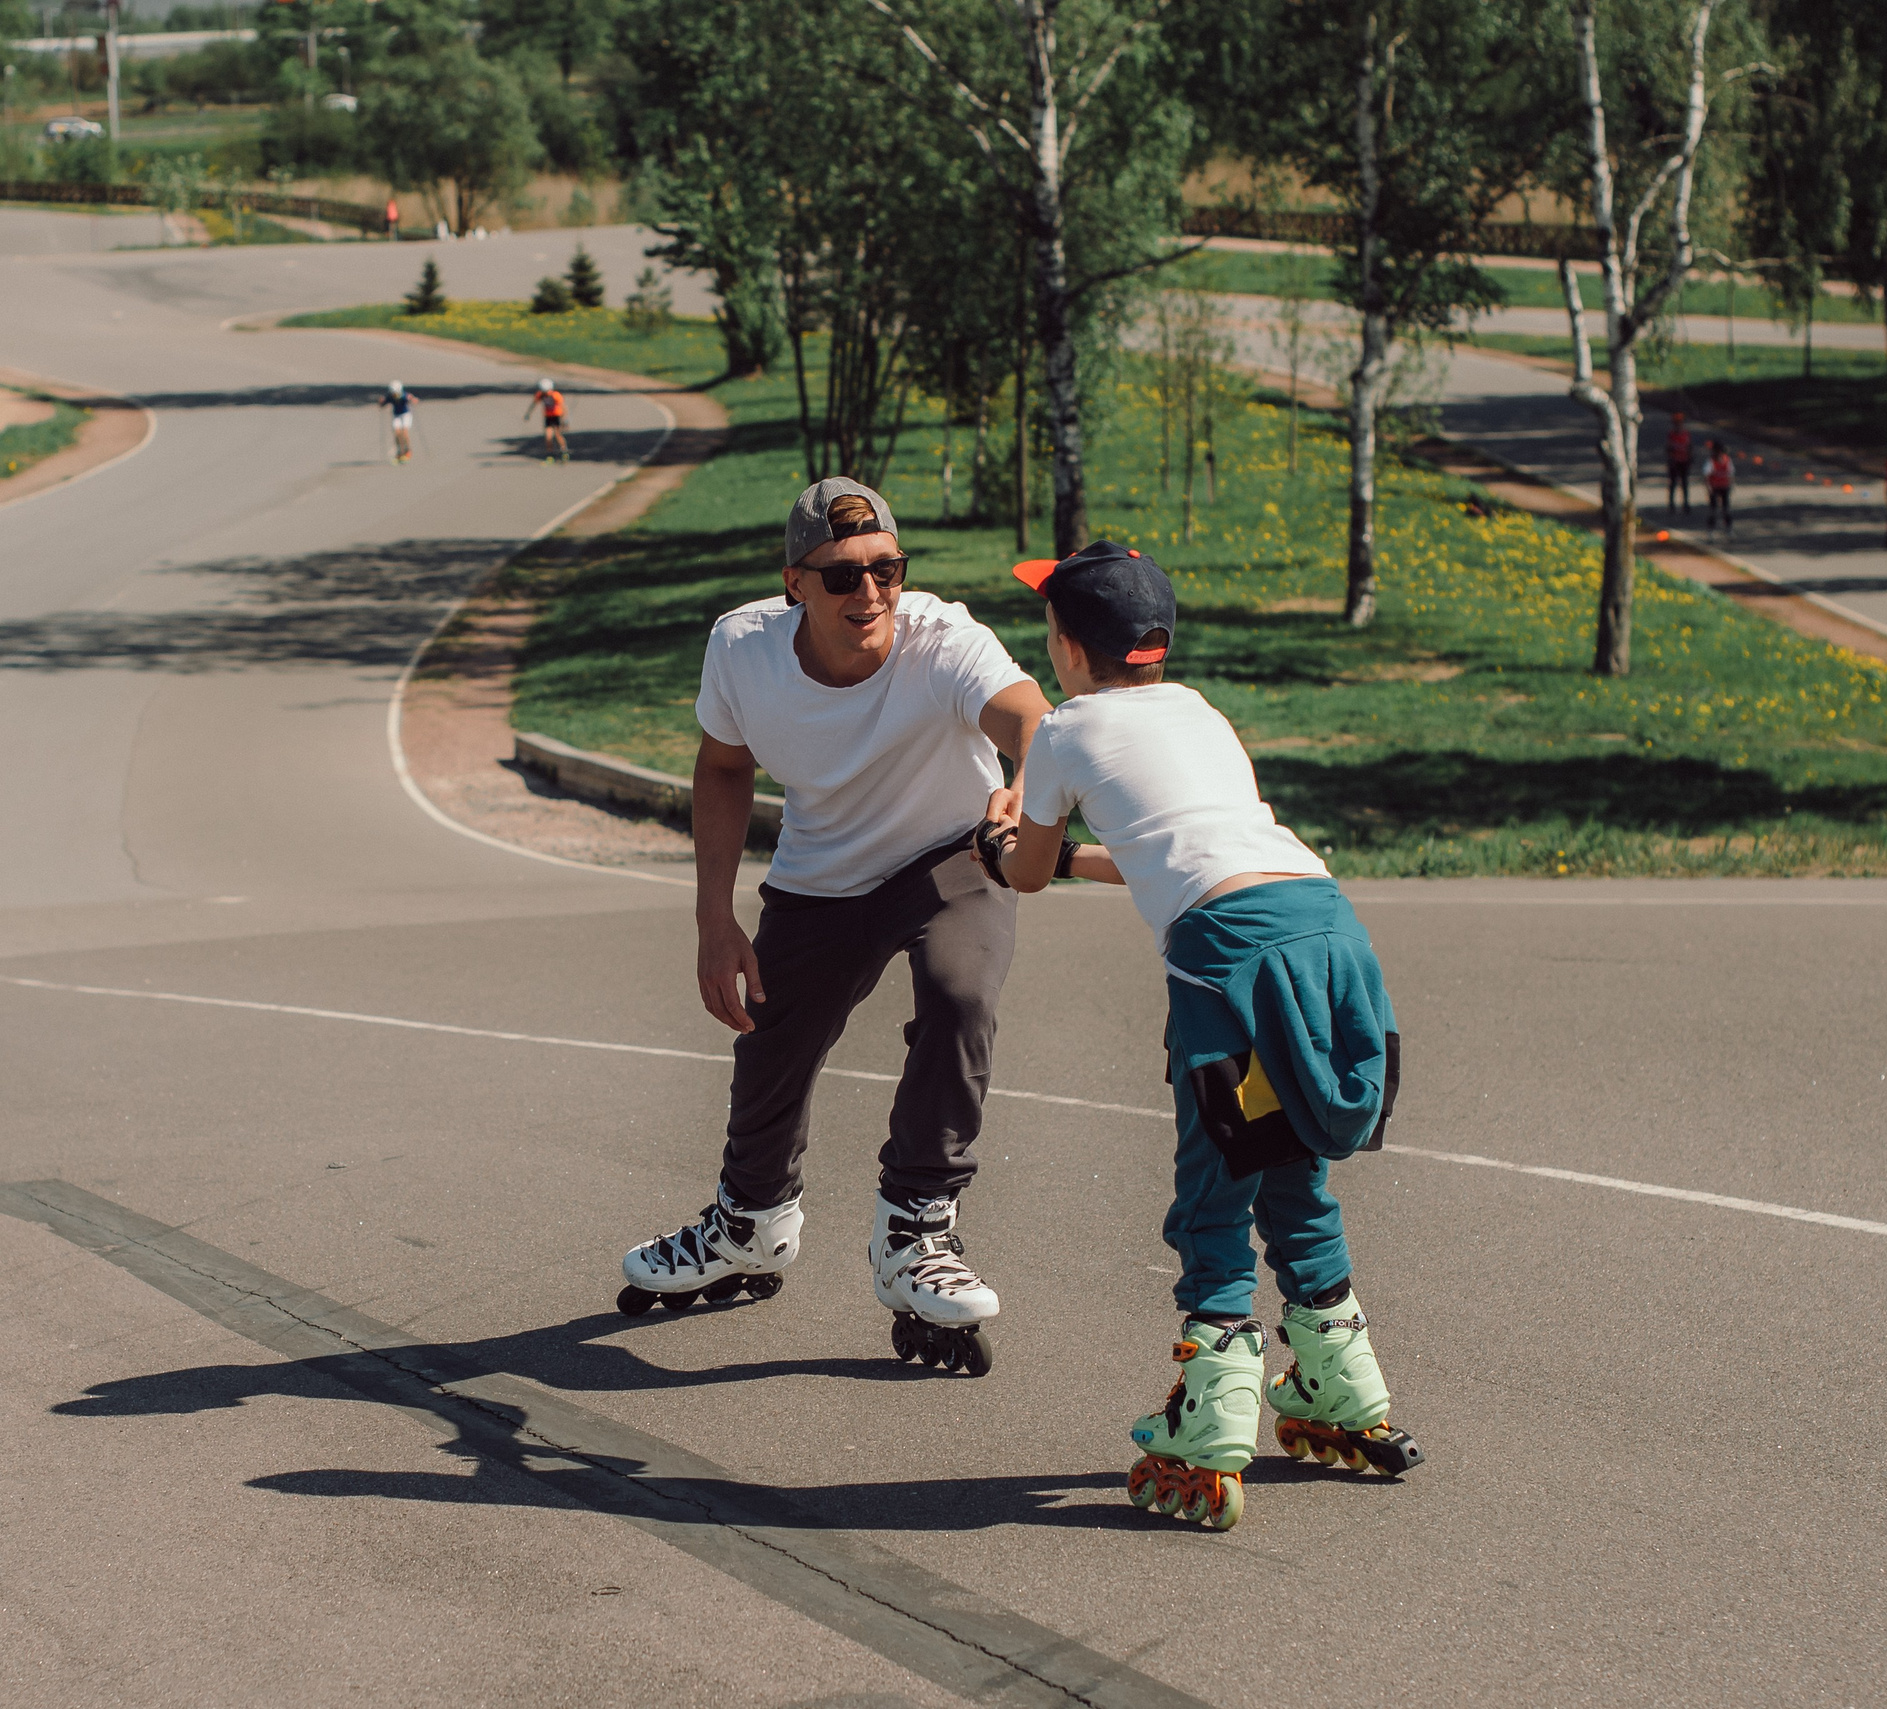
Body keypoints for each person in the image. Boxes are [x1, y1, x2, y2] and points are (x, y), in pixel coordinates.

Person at [984, 540, 1419, 1531]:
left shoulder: (1060, 729)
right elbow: (1167, 849)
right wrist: (1059, 856)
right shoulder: (1199, 713)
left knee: (1216, 1175)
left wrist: (1004, 837)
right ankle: (1337, 1378)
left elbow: (1023, 871)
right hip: (1320, 927)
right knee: (1287, 1161)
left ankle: (1212, 1408)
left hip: (1230, 960)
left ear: (1064, 644)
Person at [613, 478, 1053, 1378]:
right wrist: (713, 917)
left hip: (951, 856)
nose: (870, 594)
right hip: (822, 871)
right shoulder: (743, 650)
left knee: (959, 995)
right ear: (794, 585)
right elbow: (723, 769)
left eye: (887, 569)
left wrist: (1019, 784)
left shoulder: (944, 640)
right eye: (843, 575)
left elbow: (1035, 722)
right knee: (773, 1037)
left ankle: (917, 1227)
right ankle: (750, 1221)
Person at [524, 378, 567, 463]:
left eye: (547, 391)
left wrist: (564, 419)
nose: (546, 394)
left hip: (556, 416)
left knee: (558, 435)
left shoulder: (556, 395)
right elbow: (534, 404)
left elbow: (563, 407)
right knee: (548, 437)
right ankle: (550, 455)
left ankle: (564, 451)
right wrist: (528, 413)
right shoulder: (540, 395)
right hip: (548, 417)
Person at [1705, 439, 1735, 537]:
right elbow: (1706, 475)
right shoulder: (1711, 461)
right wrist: (1709, 488)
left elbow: (1731, 474)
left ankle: (1729, 530)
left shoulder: (1727, 460)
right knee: (1713, 511)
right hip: (1714, 488)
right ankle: (1710, 531)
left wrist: (1731, 486)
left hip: (1724, 487)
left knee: (1726, 509)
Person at [383, 381, 419, 463]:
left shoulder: (404, 395)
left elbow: (411, 398)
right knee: (396, 433)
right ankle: (399, 452)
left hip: (406, 414)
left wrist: (413, 400)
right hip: (396, 415)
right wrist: (381, 402)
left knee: (404, 432)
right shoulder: (390, 396)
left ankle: (407, 450)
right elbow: (383, 404)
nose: (394, 395)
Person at [1664, 412, 1692, 515]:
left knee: (1684, 483)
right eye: (1677, 423)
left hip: (1684, 461)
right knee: (1673, 484)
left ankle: (1686, 504)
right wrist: (1671, 460)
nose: (1678, 425)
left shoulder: (1686, 434)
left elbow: (1689, 447)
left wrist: (1690, 459)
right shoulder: (1671, 435)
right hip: (1674, 462)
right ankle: (1671, 504)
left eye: (1680, 423)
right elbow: (1668, 448)